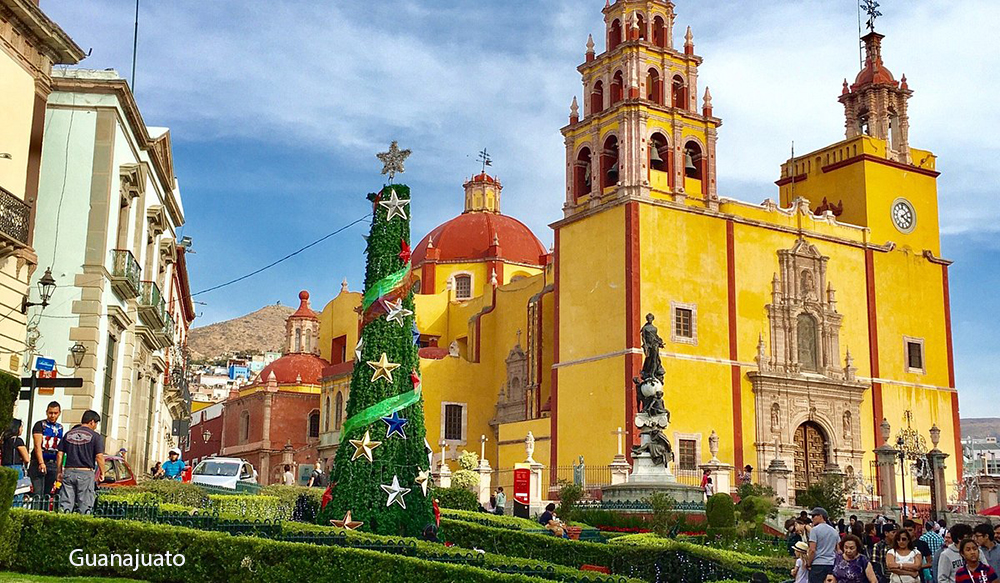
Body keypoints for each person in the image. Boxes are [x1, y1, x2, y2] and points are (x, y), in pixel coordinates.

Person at [55, 410, 106, 514]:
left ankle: (62, 522)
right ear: (92, 422)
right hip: (85, 473)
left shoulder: (68, 434)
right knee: (85, 505)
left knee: (65, 504)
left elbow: (60, 454)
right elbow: (99, 456)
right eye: (96, 424)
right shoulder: (95, 436)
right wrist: (102, 472)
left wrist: (59, 471)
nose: (95, 426)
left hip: (69, 471)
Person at [29, 401, 63, 497]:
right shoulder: (40, 425)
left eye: (55, 413)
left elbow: (60, 450)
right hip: (39, 462)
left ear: (59, 413)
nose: (52, 415)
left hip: (53, 463)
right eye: (50, 413)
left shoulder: (60, 427)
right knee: (38, 492)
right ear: (46, 412)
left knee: (48, 493)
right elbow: (37, 445)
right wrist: (41, 462)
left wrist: (59, 468)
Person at [807, 507, 840, 583]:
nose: (812, 519)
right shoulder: (834, 531)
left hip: (818, 565)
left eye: (813, 516)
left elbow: (812, 550)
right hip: (831, 564)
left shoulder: (814, 530)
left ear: (820, 516)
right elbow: (838, 550)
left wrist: (808, 563)